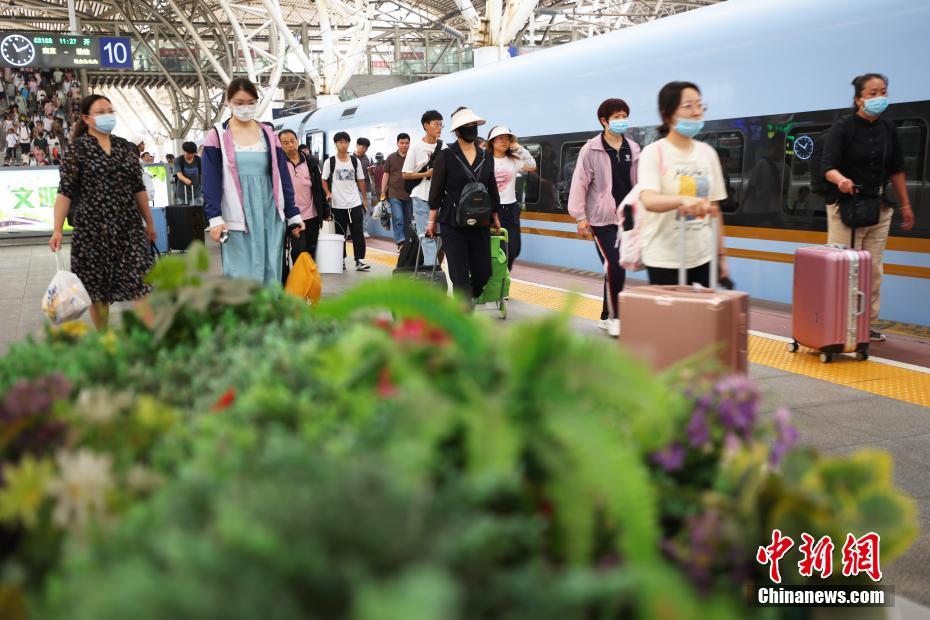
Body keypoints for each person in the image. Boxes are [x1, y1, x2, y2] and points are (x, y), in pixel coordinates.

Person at [48, 94, 158, 330]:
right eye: (100, 112)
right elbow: (65, 192)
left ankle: (152, 339)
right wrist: (57, 229)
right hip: (91, 231)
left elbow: (138, 188)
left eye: (110, 111)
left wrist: (149, 222)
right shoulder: (77, 150)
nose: (108, 115)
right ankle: (103, 338)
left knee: (142, 285)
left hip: (129, 228)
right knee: (98, 292)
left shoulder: (125, 147)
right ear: (87, 118)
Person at [822, 73, 915, 342]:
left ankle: (864, 324)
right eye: (872, 93)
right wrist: (841, 181)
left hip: (879, 207)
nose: (879, 97)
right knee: (843, 267)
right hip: (846, 207)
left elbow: (896, 169)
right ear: (858, 99)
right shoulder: (843, 128)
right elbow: (827, 166)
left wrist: (906, 205)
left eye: (883, 92)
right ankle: (837, 324)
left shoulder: (888, 129)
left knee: (873, 270)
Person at [201, 77, 304, 286]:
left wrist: (292, 214)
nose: (245, 108)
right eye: (239, 103)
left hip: (270, 214)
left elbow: (282, 176)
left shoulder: (269, 134)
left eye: (250, 102)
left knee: (271, 272)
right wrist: (214, 217)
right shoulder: (217, 136)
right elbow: (210, 181)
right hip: (236, 216)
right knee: (240, 275)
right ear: (228, 102)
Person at [638, 81, 729, 288]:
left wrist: (721, 256)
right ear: (667, 115)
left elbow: (715, 209)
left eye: (700, 105)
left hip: (704, 257)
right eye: (688, 106)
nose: (697, 112)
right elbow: (649, 200)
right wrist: (683, 200)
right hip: (664, 260)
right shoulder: (654, 152)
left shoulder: (708, 153)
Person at [567, 99, 641, 337]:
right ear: (604, 120)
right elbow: (579, 182)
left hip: (626, 218)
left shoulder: (633, 148)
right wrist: (580, 216)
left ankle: (604, 315)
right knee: (616, 263)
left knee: (614, 265)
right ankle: (616, 317)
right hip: (601, 219)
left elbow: (639, 183)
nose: (622, 120)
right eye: (617, 116)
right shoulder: (591, 149)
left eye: (625, 116)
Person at [427, 106, 502, 302]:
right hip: (452, 222)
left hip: (481, 221)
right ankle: (464, 306)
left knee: (483, 272)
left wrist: (495, 216)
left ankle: (470, 295)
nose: (472, 128)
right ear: (457, 131)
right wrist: (431, 221)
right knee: (459, 274)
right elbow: (436, 190)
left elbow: (492, 187)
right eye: (467, 125)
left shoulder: (486, 156)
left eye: (474, 125)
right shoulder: (446, 156)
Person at [487, 125, 537, 270]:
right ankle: (498, 277)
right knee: (499, 247)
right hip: (493, 210)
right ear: (492, 141)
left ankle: (504, 274)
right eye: (500, 138)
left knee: (514, 248)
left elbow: (532, 166)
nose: (505, 141)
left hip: (511, 209)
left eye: (508, 138)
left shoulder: (514, 160)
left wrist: (519, 147)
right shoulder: (485, 161)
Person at [321, 131, 370, 271]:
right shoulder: (330, 162)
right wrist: (328, 193)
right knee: (339, 234)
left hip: (354, 203)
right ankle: (340, 259)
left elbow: (361, 181)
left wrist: (364, 199)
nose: (343, 145)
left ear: (349, 144)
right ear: (335, 144)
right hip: (337, 205)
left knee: (358, 233)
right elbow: (323, 180)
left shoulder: (355, 161)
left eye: (346, 142)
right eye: (340, 142)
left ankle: (359, 260)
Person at [403, 109, 444, 267]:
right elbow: (405, 174)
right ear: (426, 125)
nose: (439, 128)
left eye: (441, 125)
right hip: (421, 197)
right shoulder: (416, 147)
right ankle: (433, 272)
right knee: (427, 236)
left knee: (440, 237)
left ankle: (432, 268)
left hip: (440, 199)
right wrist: (425, 174)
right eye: (436, 124)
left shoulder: (443, 146)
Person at [280, 128, 328, 261]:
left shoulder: (310, 162)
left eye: (292, 141)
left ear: (297, 141)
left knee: (311, 250)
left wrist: (325, 211)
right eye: (285, 143)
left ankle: (307, 274)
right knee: (299, 251)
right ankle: (298, 273)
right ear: (280, 145)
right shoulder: (279, 164)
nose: (290, 145)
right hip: (292, 216)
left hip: (311, 215)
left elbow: (318, 188)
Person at [381, 133, 413, 246]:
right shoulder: (391, 157)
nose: (404, 145)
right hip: (394, 194)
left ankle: (407, 242)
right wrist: (383, 192)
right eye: (402, 143)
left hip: (410, 194)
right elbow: (386, 175)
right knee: (398, 218)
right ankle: (400, 241)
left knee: (408, 220)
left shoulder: (412, 156)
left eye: (407, 143)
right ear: (397, 143)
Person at [354, 137, 373, 237]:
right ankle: (354, 230)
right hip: (354, 188)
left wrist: (371, 171)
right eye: (362, 147)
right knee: (355, 211)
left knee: (367, 210)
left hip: (367, 188)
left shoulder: (368, 158)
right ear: (357, 145)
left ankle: (364, 230)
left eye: (366, 148)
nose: (364, 149)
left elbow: (372, 174)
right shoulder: (350, 157)